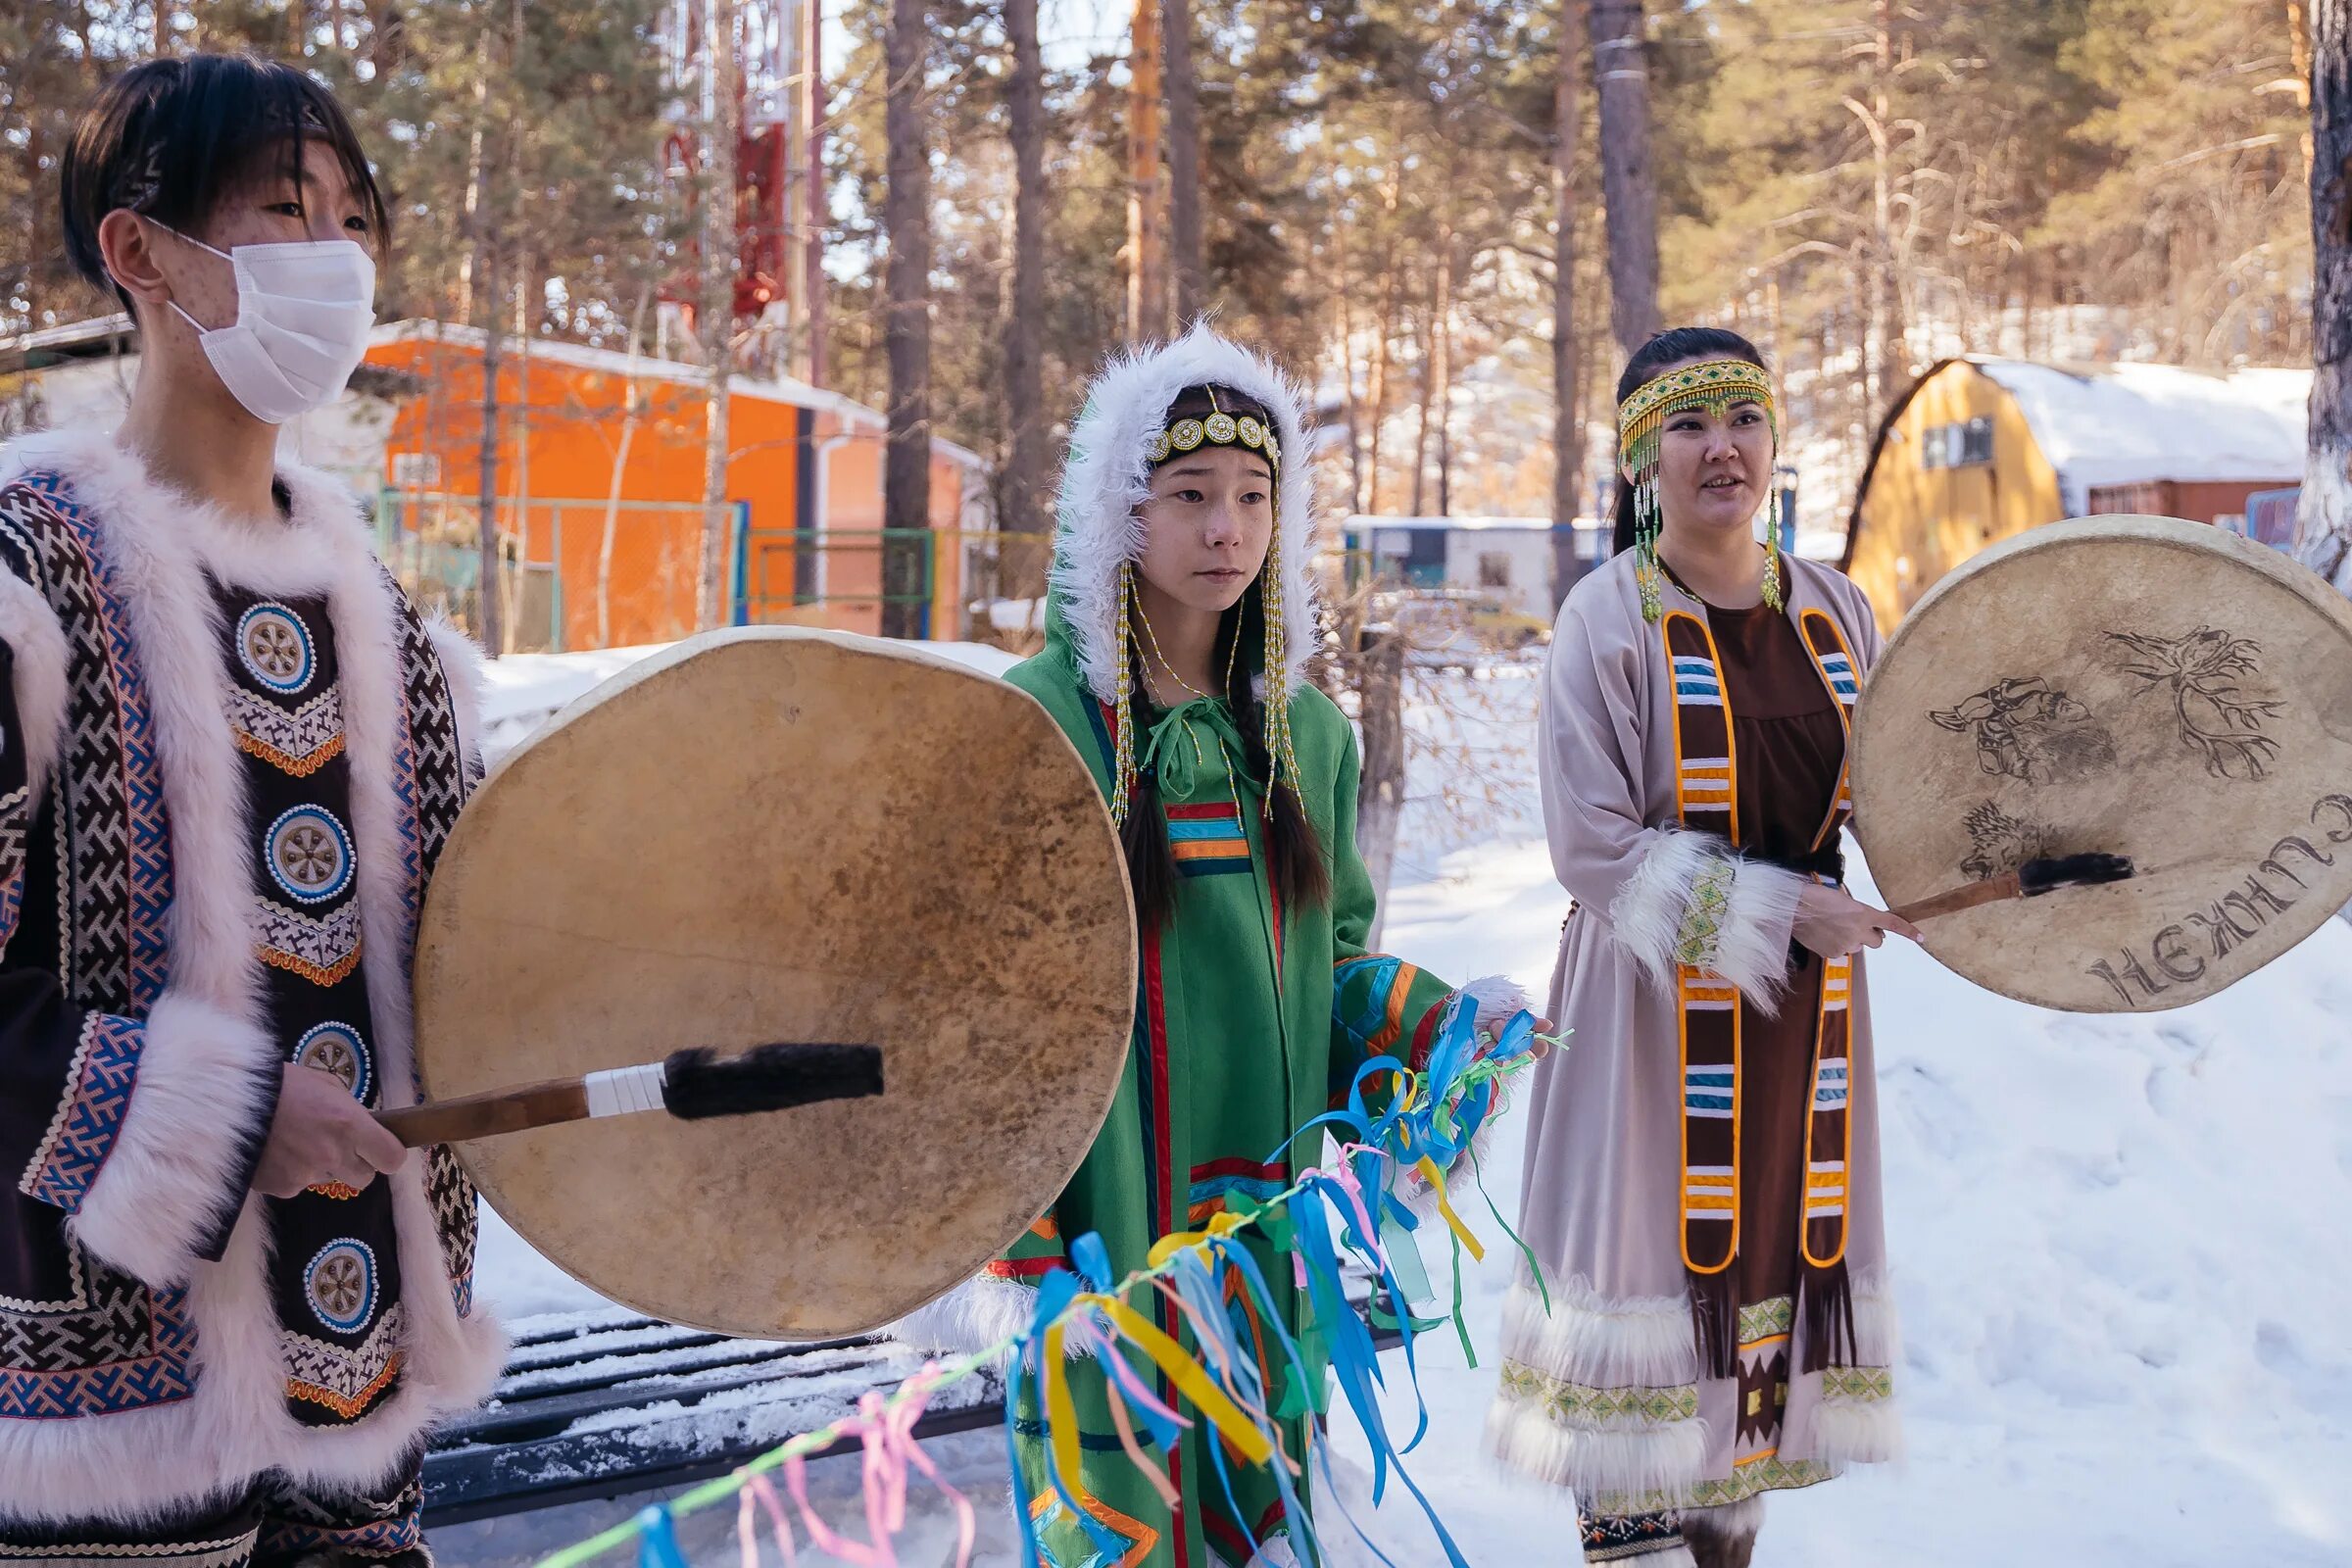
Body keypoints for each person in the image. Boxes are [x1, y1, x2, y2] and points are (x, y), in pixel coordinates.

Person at [893, 324, 1540, 1568]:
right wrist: (1015, 1237)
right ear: (1115, 514)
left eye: (1253, 498)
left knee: (1261, 1507)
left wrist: (1440, 1033)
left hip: (1266, 1233)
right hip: (1104, 1234)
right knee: (1119, 1511)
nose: (1225, 529)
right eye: (1188, 496)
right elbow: (972, 999)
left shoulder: (1306, 735)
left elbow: (1331, 967)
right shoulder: (1038, 725)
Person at [0, 55, 500, 1565]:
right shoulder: (27, 586)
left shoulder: (400, 636)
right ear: (140, 251)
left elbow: (474, 957)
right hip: (100, 1455)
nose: (336, 259)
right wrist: (205, 1118)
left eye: (356, 219)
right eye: (285, 210)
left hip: (360, 1409)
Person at [1487, 328, 1910, 1568]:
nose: (1720, 446)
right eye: (1687, 423)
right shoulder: (1604, 619)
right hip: (1643, 1024)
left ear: (1776, 444)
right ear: (1641, 458)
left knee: (1757, 1331)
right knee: (1647, 1333)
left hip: (1805, 1035)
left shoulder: (1840, 609)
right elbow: (1595, 848)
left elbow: (1904, 798)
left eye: (1742, 417)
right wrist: (1784, 916)